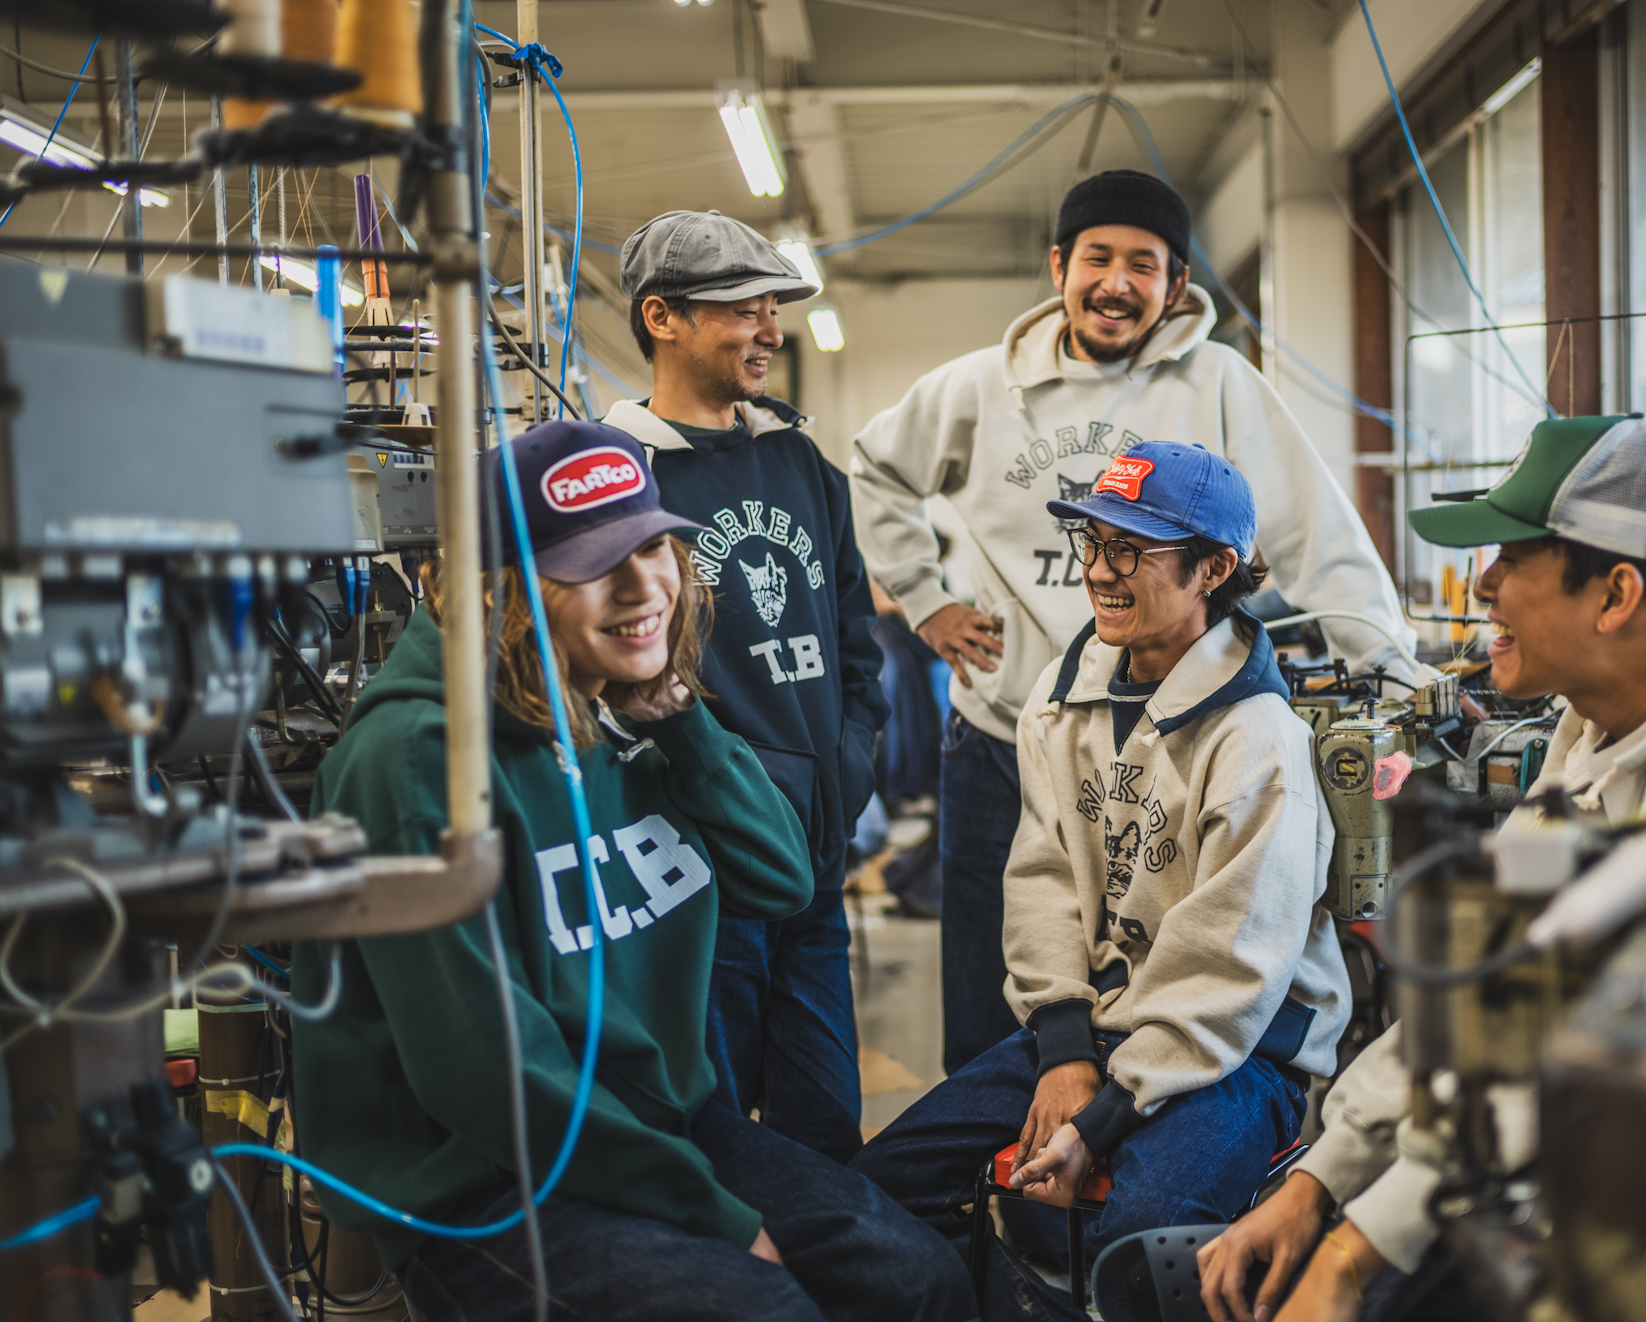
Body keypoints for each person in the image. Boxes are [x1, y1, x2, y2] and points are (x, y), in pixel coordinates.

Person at [1195, 414, 1646, 1322]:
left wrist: (1357, 1252)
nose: (1483, 583)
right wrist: (1320, 1186)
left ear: (1616, 595)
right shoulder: (1595, 729)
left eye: (1512, 558)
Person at [290, 422, 972, 1322]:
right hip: (485, 1182)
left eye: (653, 546)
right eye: (593, 564)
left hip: (661, 1125)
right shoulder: (417, 760)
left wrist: (684, 723)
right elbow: (487, 1074)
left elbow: (781, 881)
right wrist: (712, 1216)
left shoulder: (621, 703)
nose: (643, 585)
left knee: (918, 1277)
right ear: (504, 592)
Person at [850, 169, 1417, 1072]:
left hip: (1165, 748)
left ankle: (1121, 1124)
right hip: (1002, 735)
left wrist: (1394, 673)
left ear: (1176, 284)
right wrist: (926, 601)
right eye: (1098, 258)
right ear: (1059, 267)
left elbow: (1317, 531)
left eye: (1144, 265)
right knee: (989, 999)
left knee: (1156, 982)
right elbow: (874, 467)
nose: (1117, 283)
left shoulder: (1219, 383)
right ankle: (990, 1150)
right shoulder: (978, 387)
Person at [852, 443, 1353, 1321]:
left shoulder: (1259, 741)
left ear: (1213, 570)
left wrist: (1104, 1117)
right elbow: (1042, 880)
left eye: (1131, 550)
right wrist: (1064, 1054)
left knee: (1146, 1245)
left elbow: (1227, 968)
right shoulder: (1061, 696)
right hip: (1095, 1028)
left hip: (1235, 1053)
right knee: (876, 1195)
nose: (1099, 571)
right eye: (1093, 542)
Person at [603, 210, 889, 1164]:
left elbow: (856, 645)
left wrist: (846, 769)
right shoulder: (620, 474)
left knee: (826, 1128)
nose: (770, 330)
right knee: (714, 1133)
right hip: (701, 873)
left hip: (813, 863)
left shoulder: (801, 462)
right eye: (741, 309)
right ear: (662, 318)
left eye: (773, 308)